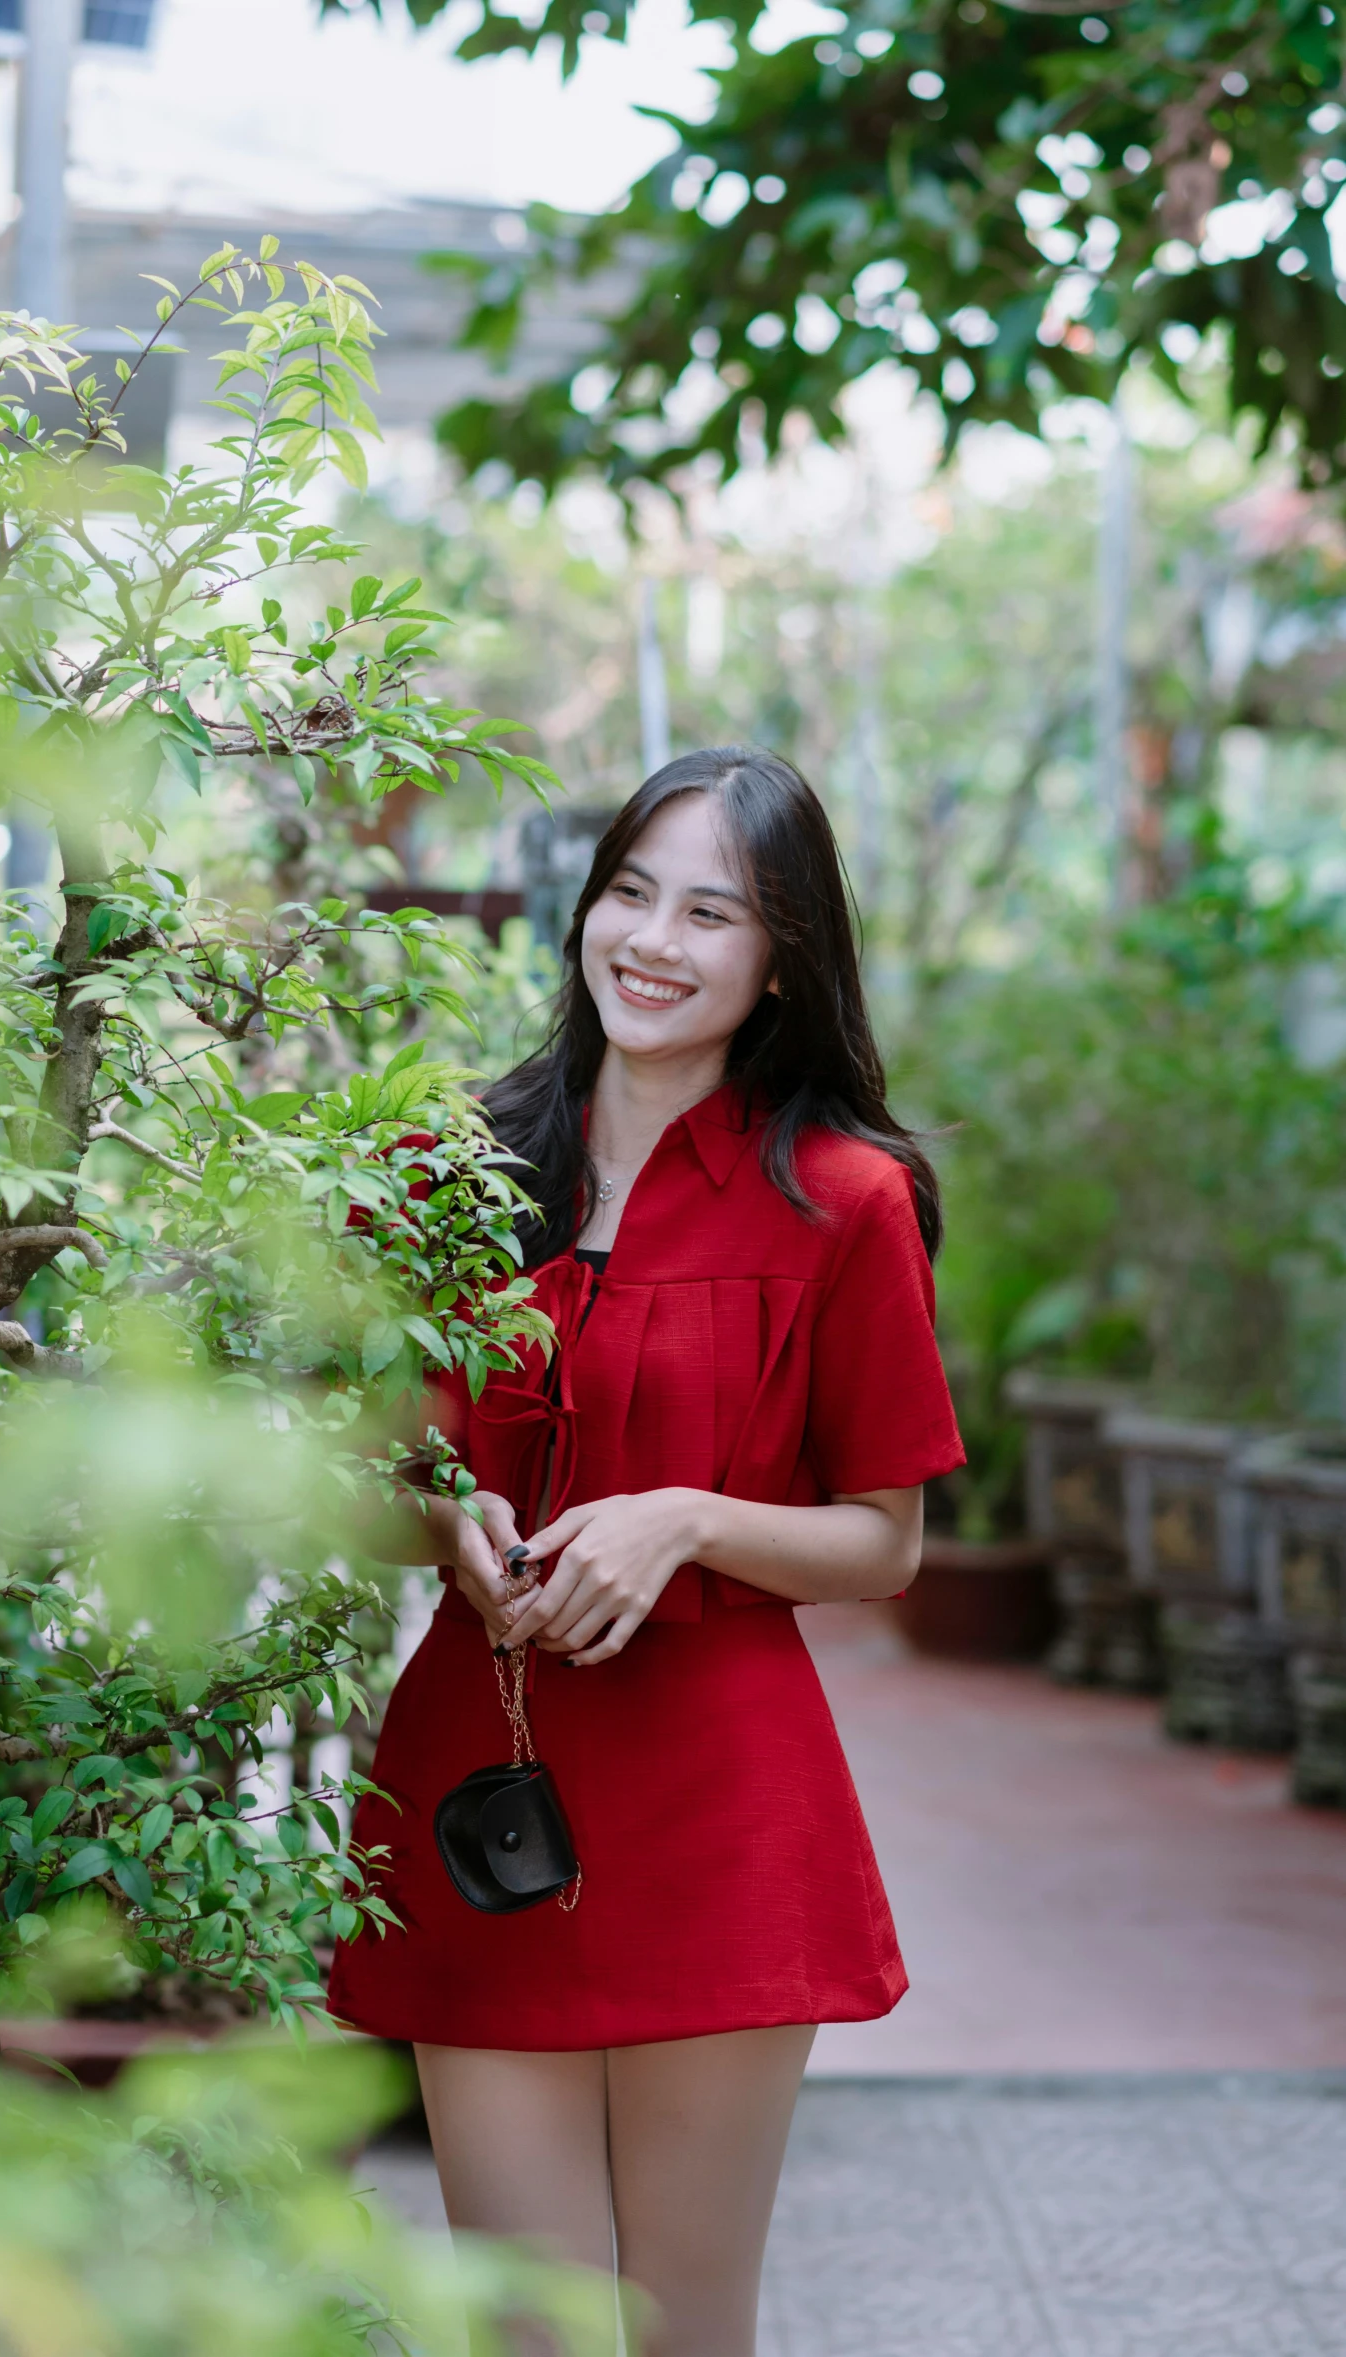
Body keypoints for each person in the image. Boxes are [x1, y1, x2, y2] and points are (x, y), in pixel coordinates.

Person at [329, 748, 964, 2357]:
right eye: (628, 891)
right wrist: (438, 1517)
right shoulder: (450, 1171)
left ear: (781, 958)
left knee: (684, 2328)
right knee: (522, 2332)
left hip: (721, 1803)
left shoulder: (845, 1201)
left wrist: (682, 1519)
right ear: (582, 909)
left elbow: (884, 1544)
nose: (653, 941)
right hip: (490, 1772)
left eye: (711, 911)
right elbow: (360, 1473)